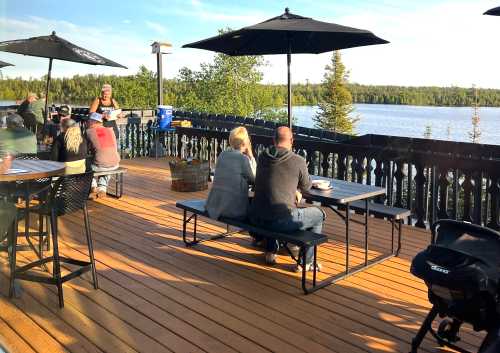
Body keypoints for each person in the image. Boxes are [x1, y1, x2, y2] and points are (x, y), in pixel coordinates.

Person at [249, 126, 325, 271]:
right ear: (292, 141)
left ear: (273, 140)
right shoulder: (298, 161)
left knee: (273, 201)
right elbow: (307, 187)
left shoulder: (263, 156)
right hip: (279, 222)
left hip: (257, 218)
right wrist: (303, 174)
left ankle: (271, 252)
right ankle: (307, 261)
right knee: (318, 214)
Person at [206, 127, 256, 220]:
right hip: (233, 209)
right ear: (245, 143)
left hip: (214, 206)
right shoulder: (243, 159)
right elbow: (254, 179)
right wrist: (251, 156)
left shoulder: (222, 154)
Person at [86, 112, 120, 198]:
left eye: (88, 121)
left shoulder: (89, 131)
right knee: (105, 160)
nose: (87, 123)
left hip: (101, 165)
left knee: (85, 163)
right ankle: (102, 188)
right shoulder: (110, 130)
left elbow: (84, 149)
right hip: (115, 163)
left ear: (92, 122)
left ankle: (92, 185)